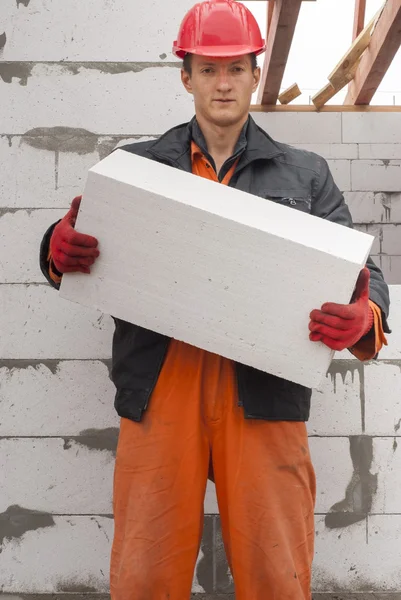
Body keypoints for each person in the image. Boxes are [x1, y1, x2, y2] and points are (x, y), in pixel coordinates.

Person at [39, 1, 390, 598]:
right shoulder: (138, 166)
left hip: (263, 391)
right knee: (145, 573)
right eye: (207, 69)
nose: (222, 83)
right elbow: (77, 243)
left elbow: (363, 274)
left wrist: (364, 317)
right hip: (161, 384)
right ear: (186, 77)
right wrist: (57, 247)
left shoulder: (304, 175)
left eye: (235, 69)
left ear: (256, 74)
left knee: (276, 571)